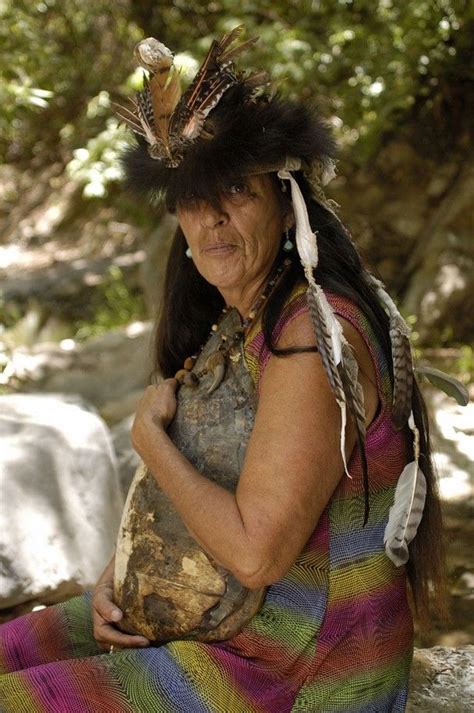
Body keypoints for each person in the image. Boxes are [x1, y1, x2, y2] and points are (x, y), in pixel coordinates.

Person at [0, 27, 447, 712]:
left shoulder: (310, 336)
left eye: (233, 191)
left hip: (299, 675)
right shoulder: (242, 318)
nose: (211, 222)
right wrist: (123, 580)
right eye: (191, 199)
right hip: (228, 622)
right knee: (20, 642)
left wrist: (147, 440)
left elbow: (256, 555)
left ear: (281, 195)